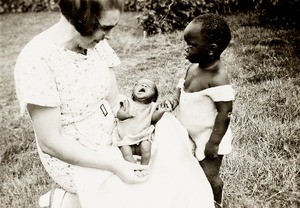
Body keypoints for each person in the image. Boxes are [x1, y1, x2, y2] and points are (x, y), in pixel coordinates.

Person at [14, 0, 215, 207]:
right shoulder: (37, 60)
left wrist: (141, 119)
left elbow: (114, 101)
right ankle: (66, 201)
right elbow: (50, 142)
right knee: (145, 194)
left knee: (172, 151)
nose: (109, 36)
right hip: (76, 153)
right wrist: (115, 165)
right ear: (80, 20)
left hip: (114, 131)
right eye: (105, 28)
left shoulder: (96, 43)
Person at [163, 14, 235, 207]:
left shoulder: (218, 78)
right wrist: (174, 99)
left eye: (191, 45)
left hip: (208, 135)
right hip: (189, 130)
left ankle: (215, 200)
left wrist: (213, 143)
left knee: (208, 174)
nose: (186, 48)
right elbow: (182, 85)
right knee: (188, 166)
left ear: (211, 49)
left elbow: (225, 112)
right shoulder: (193, 67)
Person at [114, 78, 168, 174]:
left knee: (146, 146)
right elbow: (119, 115)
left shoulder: (152, 106)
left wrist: (161, 112)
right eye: (139, 84)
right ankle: (134, 168)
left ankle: (144, 167)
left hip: (142, 135)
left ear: (154, 96)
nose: (143, 86)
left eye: (148, 86)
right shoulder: (127, 102)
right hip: (126, 136)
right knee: (126, 152)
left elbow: (153, 120)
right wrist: (126, 115)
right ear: (133, 90)